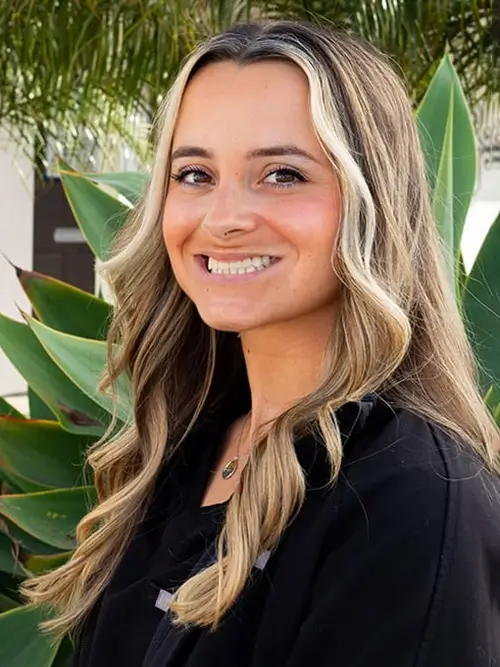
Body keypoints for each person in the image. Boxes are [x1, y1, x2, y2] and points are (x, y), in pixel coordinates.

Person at [24, 19, 500, 667]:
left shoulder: (411, 494)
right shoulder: (186, 450)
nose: (223, 219)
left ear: (372, 204)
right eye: (194, 174)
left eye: (281, 174)